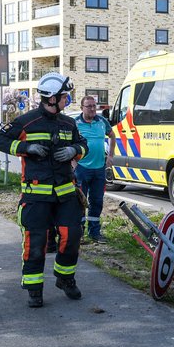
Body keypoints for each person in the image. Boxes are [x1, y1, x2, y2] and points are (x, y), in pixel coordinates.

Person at [0, 72, 88, 308]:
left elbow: (83, 144)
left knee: (72, 235)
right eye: (65, 96)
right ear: (52, 98)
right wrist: (26, 147)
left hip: (66, 194)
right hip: (36, 197)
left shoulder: (69, 123)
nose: (68, 99)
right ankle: (34, 289)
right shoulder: (26, 122)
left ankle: (65, 278)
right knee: (36, 242)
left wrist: (74, 150)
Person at [73, 96, 111, 243]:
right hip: (82, 168)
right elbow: (67, 143)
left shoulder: (102, 121)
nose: (93, 109)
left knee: (97, 201)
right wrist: (73, 162)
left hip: (99, 168)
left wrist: (111, 155)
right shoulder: (75, 123)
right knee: (80, 202)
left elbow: (112, 135)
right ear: (82, 108)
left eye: (94, 106)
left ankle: (95, 232)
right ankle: (79, 233)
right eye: (89, 106)